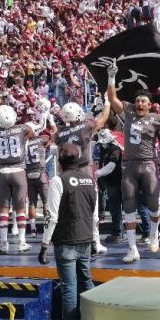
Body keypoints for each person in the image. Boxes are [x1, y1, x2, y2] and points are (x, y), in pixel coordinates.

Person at [106, 63, 160, 263]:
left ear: (150, 104)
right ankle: (132, 248)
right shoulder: (129, 113)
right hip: (129, 165)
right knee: (129, 206)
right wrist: (111, 78)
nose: (140, 104)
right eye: (137, 101)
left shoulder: (157, 118)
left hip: (149, 164)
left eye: (143, 101)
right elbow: (112, 98)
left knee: (153, 204)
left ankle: (153, 233)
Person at [38, 143, 97, 320]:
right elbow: (95, 214)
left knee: (70, 290)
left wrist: (45, 243)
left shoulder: (57, 180)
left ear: (60, 160)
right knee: (87, 283)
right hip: (86, 238)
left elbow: (51, 216)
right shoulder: (90, 179)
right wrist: (96, 240)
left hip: (66, 241)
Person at [53, 100, 110, 254]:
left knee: (71, 207)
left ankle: (73, 239)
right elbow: (104, 118)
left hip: (67, 173)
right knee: (93, 205)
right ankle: (95, 241)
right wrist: (108, 103)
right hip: (84, 169)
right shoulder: (85, 125)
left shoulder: (59, 134)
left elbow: (57, 145)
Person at [0, 104, 34, 253]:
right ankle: (21, 241)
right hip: (18, 171)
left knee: (3, 209)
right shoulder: (22, 128)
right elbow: (31, 132)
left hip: (2, 172)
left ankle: (3, 242)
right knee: (20, 208)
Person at [96, 129, 123, 244]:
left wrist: (96, 174)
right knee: (114, 209)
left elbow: (111, 166)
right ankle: (117, 232)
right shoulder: (104, 149)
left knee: (115, 209)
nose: (101, 144)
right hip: (109, 182)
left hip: (116, 182)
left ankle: (118, 233)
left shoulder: (115, 149)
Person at [25, 133, 51, 238]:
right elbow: (49, 139)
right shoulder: (41, 139)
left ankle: (33, 229)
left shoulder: (23, 143)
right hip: (41, 173)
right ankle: (47, 228)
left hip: (29, 175)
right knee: (46, 202)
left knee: (32, 203)